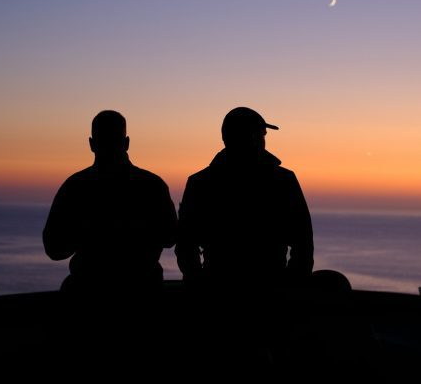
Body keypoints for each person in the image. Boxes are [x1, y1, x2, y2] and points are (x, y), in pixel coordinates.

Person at [175, 107, 313, 287]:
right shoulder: (282, 179)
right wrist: (293, 284)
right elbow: (302, 239)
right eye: (263, 134)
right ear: (254, 137)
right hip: (271, 287)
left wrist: (198, 282)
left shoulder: (199, 181)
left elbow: (186, 243)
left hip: (216, 285)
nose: (264, 139)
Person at [43, 110, 177, 291]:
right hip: (143, 290)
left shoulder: (75, 187)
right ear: (127, 143)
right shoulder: (153, 185)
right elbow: (169, 238)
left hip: (87, 290)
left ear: (91, 144)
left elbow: (54, 249)